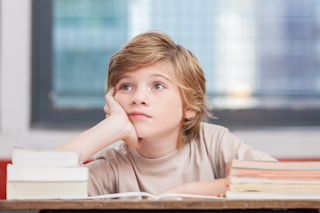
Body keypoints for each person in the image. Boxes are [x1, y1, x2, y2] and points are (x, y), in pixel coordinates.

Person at [55, 30, 276, 199]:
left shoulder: (213, 143)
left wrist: (182, 194)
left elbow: (277, 180)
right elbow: (30, 184)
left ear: (189, 107)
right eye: (126, 87)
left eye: (158, 86)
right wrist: (111, 127)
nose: (137, 97)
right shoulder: (113, 166)